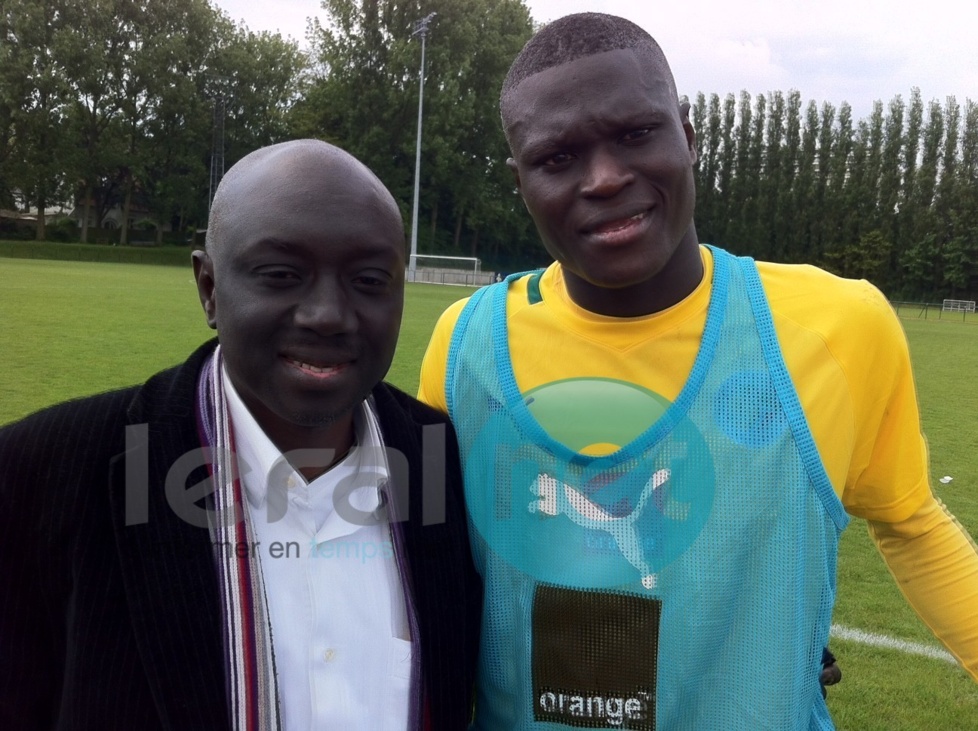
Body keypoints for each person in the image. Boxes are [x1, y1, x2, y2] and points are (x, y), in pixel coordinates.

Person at [417, 12, 978, 729]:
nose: (606, 178)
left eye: (635, 134)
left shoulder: (836, 327)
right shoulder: (462, 344)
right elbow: (430, 580)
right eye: (557, 157)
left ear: (688, 135)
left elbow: (911, 521)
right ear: (520, 180)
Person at [0, 139, 482, 730]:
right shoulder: (43, 472)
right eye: (281, 274)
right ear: (208, 286)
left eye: (368, 279)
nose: (327, 314)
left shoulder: (443, 462)